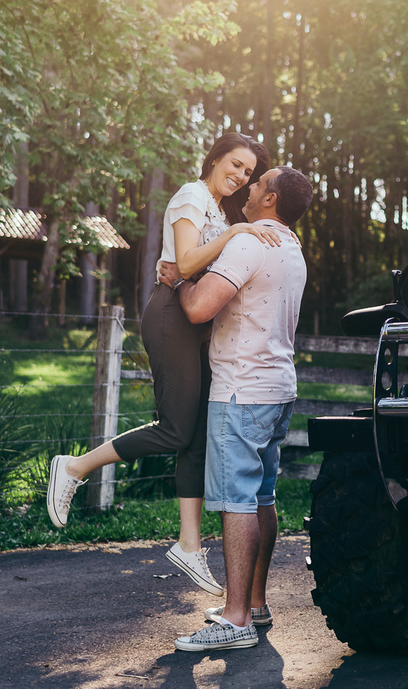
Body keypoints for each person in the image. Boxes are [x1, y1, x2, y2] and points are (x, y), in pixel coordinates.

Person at [46, 133, 277, 597]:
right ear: (213, 159)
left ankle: (189, 545)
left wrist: (214, 248)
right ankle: (74, 467)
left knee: (196, 431)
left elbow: (198, 269)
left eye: (248, 172)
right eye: (234, 164)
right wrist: (224, 241)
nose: (239, 176)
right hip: (172, 314)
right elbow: (188, 261)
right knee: (175, 428)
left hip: (197, 320)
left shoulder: (222, 210)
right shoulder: (192, 195)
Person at [170, 165, 314, 652]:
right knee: (263, 496)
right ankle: (254, 603)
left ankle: (233, 621)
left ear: (269, 198)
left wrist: (177, 282)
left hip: (241, 392)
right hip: (277, 389)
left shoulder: (249, 243)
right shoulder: (292, 249)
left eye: (258, 182)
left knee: (237, 501)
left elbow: (197, 308)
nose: (249, 187)